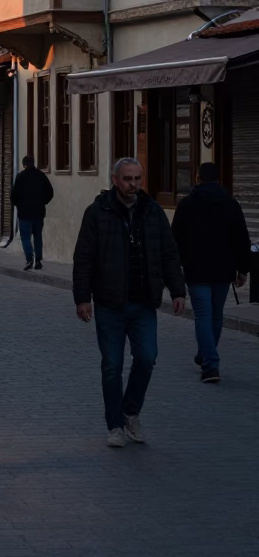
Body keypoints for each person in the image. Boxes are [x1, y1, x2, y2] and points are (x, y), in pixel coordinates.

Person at [73, 157, 185, 448]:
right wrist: (82, 298)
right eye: (127, 179)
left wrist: (177, 290)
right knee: (112, 365)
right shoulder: (98, 212)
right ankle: (115, 426)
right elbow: (83, 257)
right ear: (115, 180)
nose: (133, 184)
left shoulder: (153, 211)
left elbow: (169, 252)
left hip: (143, 303)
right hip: (110, 304)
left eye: (137, 178)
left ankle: (130, 412)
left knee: (147, 358)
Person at [171, 161, 251, 383]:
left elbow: (174, 238)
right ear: (218, 179)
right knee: (215, 315)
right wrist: (243, 269)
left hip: (196, 269)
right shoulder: (231, 204)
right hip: (223, 270)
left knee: (203, 316)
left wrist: (176, 266)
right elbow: (242, 238)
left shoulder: (187, 204)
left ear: (198, 178)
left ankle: (210, 363)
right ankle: (207, 355)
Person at [11, 154, 54, 271]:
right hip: (38, 212)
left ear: (24, 164)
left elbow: (13, 195)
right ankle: (38, 260)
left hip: (24, 213)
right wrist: (43, 202)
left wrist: (19, 205)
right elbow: (50, 192)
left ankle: (29, 258)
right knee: (38, 236)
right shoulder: (41, 176)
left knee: (25, 237)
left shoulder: (20, 177)